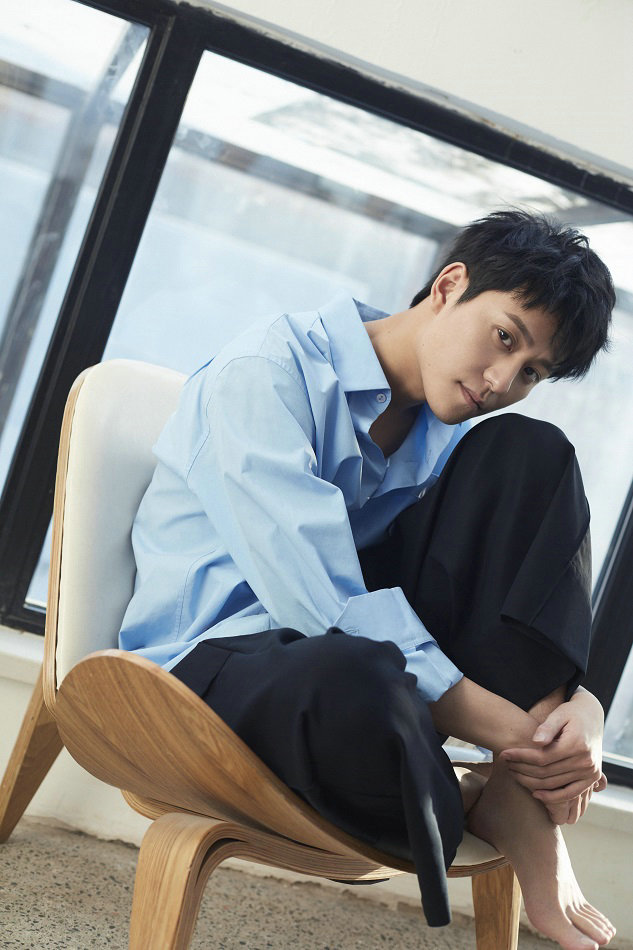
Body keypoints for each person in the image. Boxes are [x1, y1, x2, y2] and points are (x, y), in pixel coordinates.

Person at [119, 209, 617, 949]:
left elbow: (502, 585)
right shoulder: (267, 372)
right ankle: (467, 785)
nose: (500, 381)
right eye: (505, 338)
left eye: (531, 373)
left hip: (362, 674)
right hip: (215, 670)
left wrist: (580, 710)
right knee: (355, 680)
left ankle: (512, 795)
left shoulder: (448, 432)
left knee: (530, 455)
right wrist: (528, 742)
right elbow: (320, 603)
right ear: (449, 286)